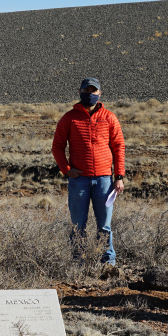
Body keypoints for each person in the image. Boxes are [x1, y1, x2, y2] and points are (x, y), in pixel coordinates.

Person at [51, 77, 125, 271]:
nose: (90, 94)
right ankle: (77, 263)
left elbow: (119, 147)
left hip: (104, 181)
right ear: (80, 91)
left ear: (100, 94)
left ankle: (107, 264)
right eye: (87, 90)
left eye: (94, 91)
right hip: (79, 181)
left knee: (104, 226)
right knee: (78, 226)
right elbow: (57, 147)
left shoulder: (109, 117)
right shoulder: (69, 118)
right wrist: (66, 170)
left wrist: (119, 176)